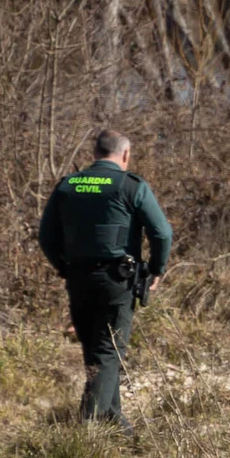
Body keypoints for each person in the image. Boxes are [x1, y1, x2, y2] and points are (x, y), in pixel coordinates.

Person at [36, 129, 172, 432]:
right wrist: (157, 269)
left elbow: (46, 236)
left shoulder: (68, 185)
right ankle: (89, 427)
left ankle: (113, 418)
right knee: (110, 350)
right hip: (116, 279)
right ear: (124, 155)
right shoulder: (130, 185)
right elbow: (162, 232)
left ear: (95, 153)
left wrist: (64, 267)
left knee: (94, 350)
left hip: (78, 278)